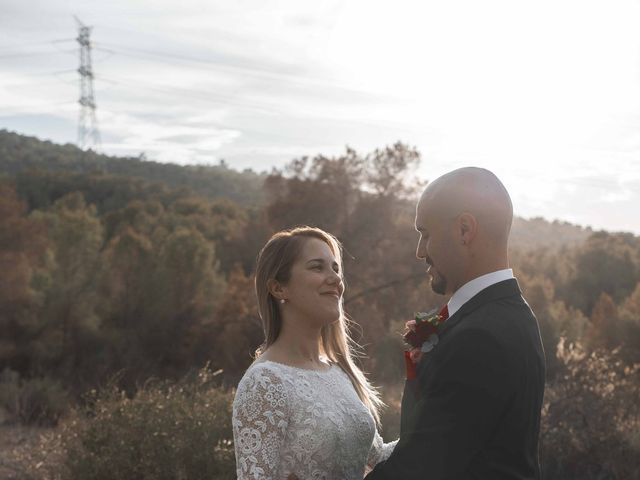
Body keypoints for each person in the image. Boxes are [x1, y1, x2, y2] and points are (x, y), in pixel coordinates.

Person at [365, 167, 546, 479]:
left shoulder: (479, 337)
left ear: (465, 229)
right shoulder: (513, 315)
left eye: (426, 234)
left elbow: (421, 469)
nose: (420, 251)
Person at [232, 226, 397, 480]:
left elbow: (376, 458)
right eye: (317, 267)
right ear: (278, 288)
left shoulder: (339, 372)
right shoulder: (264, 383)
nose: (335, 279)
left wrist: (438, 421)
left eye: (335, 268)